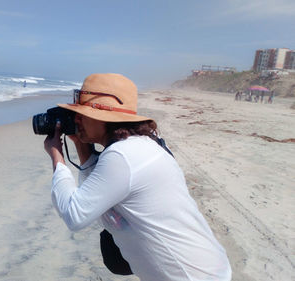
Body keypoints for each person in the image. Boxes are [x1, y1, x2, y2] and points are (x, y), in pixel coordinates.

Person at [44, 73, 231, 280]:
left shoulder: (123, 155)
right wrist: (80, 143)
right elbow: (98, 196)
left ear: (105, 117)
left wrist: (56, 156)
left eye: (81, 115)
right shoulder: (141, 144)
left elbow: (75, 215)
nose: (76, 120)